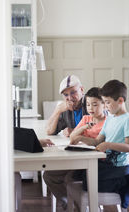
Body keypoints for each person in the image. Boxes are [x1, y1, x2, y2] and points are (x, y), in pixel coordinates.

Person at [71, 79, 129, 209]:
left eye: (108, 102)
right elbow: (97, 141)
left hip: (120, 167)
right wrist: (80, 138)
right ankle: (119, 183)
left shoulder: (128, 120)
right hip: (107, 163)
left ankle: (125, 183)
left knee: (87, 183)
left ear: (120, 101)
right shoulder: (110, 119)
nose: (106, 106)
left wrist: (108, 145)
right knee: (79, 175)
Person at [44, 74, 88, 211]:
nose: (70, 98)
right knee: (49, 176)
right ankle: (68, 204)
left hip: (92, 158)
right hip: (76, 156)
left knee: (69, 177)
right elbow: (49, 131)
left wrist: (75, 131)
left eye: (73, 92)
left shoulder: (92, 102)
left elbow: (100, 128)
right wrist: (58, 110)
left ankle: (81, 206)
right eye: (65, 95)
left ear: (82, 89)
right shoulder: (66, 109)